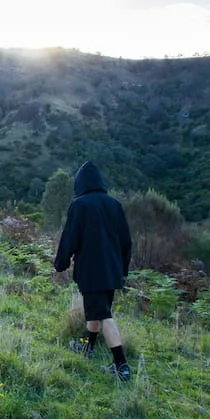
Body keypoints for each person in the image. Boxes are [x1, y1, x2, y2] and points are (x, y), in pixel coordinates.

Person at [53, 161, 133, 381]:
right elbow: (127, 241)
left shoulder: (80, 205)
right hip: (112, 270)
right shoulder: (114, 204)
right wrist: (122, 269)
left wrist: (61, 263)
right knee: (97, 310)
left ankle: (121, 365)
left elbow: (70, 237)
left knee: (103, 315)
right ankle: (87, 347)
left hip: (91, 270)